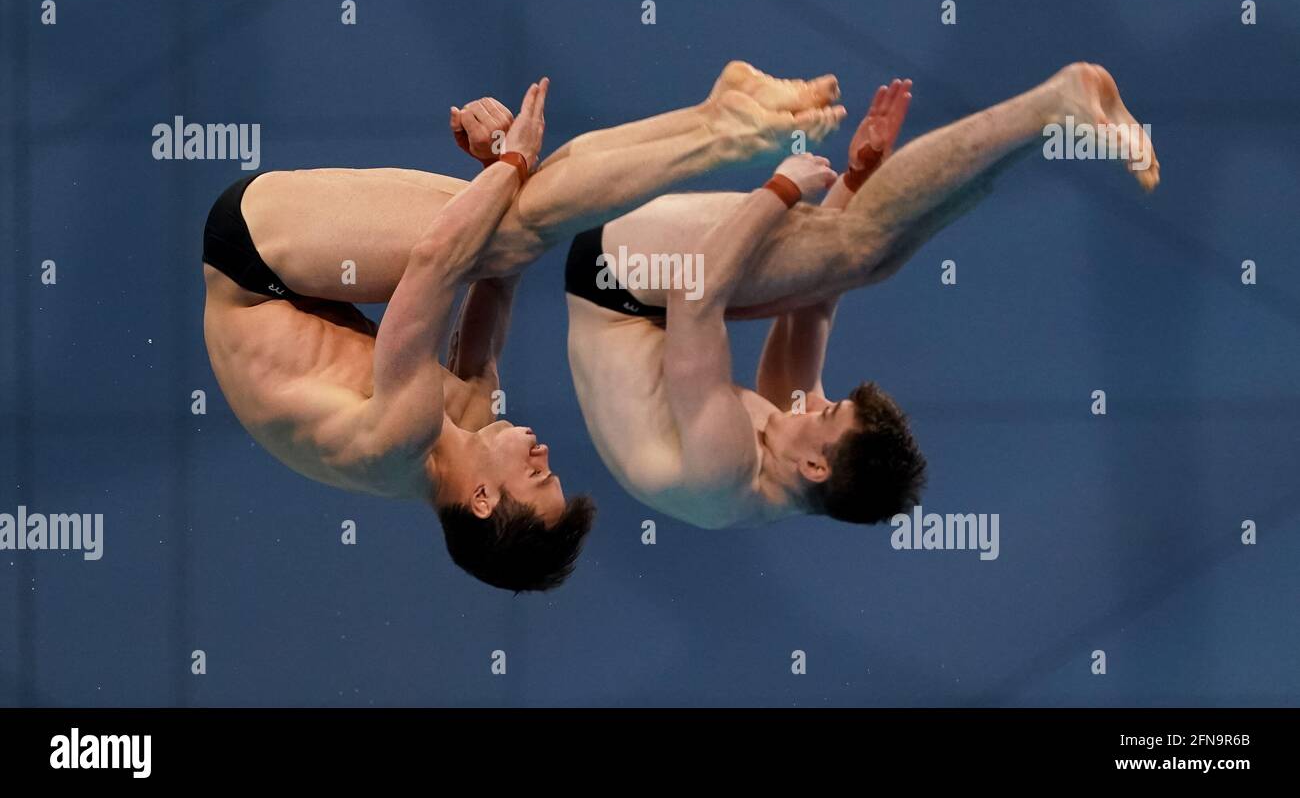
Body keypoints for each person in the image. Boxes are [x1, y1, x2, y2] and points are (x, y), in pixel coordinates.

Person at [201, 64, 846, 589]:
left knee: (513, 225)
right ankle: (715, 115)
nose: (543, 453)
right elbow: (493, 278)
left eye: (536, 474)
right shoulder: (471, 414)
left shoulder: (395, 441)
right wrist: (499, 170)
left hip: (252, 262)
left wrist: (511, 165)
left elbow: (431, 268)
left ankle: (724, 130)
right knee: (520, 227)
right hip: (295, 279)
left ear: (483, 500)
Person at [564, 63, 1157, 529]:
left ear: (816, 467)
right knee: (866, 260)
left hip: (616, 280)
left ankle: (1053, 104)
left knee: (857, 249)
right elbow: (814, 301)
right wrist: (857, 178)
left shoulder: (724, 470)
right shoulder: (789, 452)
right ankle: (1050, 125)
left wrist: (779, 190)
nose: (812, 403)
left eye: (825, 413)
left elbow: (696, 300)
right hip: (648, 298)